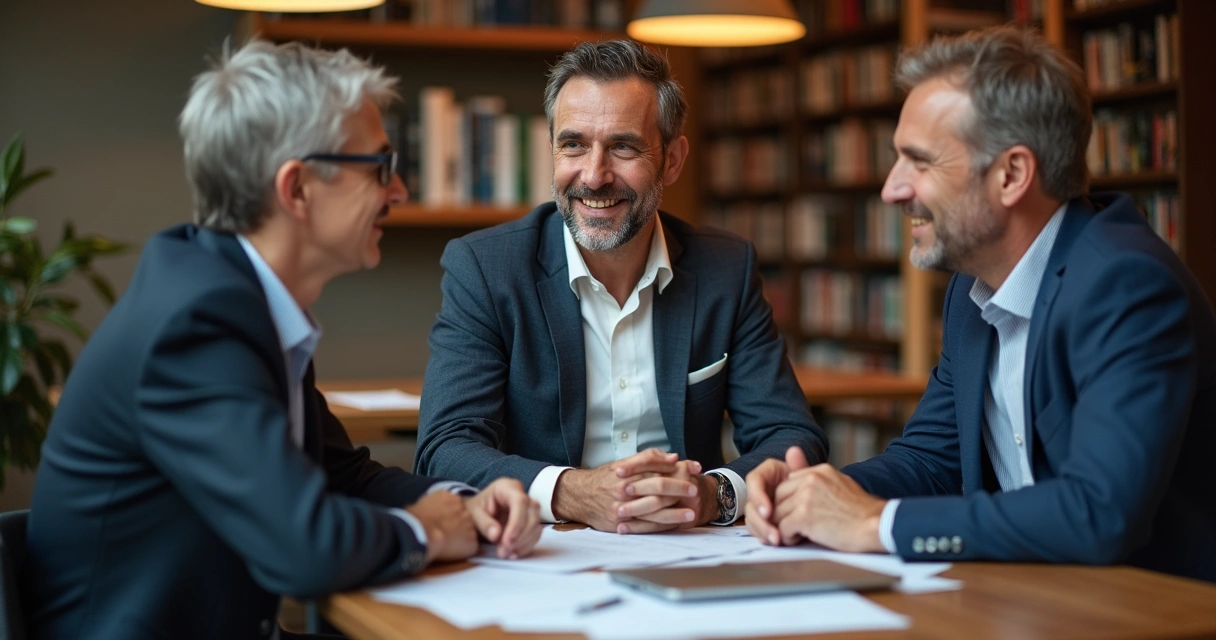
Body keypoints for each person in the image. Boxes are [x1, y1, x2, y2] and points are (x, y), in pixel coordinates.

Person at [27, 40, 542, 640]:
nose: (398, 190)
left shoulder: (236, 296)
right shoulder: (199, 322)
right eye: (379, 167)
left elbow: (342, 477)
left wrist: (463, 502)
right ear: (296, 188)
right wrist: (426, 531)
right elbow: (304, 548)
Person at [745, 26, 1216, 583]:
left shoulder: (1125, 285)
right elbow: (929, 461)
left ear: (1011, 174)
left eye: (919, 162)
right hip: (1035, 600)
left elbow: (1098, 513)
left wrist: (876, 524)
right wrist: (814, 494)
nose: (891, 189)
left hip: (1154, 611)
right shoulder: (974, 292)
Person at [414, 39, 826, 535]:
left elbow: (792, 436)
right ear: (551, 151)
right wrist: (576, 493)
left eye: (623, 146)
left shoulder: (726, 268)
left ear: (672, 160)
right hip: (542, 553)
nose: (593, 175)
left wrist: (708, 495)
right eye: (573, 144)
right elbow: (445, 448)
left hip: (689, 549)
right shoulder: (485, 268)